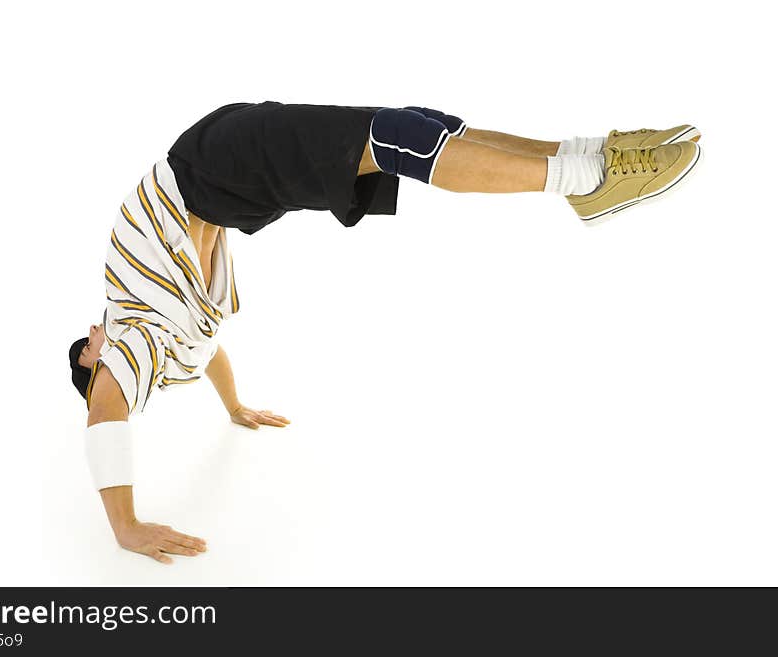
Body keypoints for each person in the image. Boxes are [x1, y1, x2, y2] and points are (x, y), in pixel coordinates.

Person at [69, 101, 702, 563]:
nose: (92, 332)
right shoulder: (137, 345)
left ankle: (593, 156)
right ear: (96, 364)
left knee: (405, 129)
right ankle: (587, 176)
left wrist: (235, 407)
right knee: (395, 136)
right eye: (86, 348)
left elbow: (214, 358)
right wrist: (124, 525)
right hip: (216, 178)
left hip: (209, 175)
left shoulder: (172, 340)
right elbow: (105, 409)